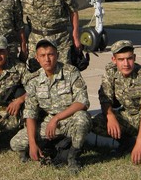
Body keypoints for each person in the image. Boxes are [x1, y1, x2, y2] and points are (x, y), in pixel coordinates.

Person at [10, 38, 91, 173]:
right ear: (37, 58)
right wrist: (32, 144)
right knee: (16, 143)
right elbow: (30, 113)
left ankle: (73, 158)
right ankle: (54, 145)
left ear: (57, 55)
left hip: (70, 119)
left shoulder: (71, 72)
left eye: (50, 54)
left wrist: (56, 118)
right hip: (49, 122)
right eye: (42, 55)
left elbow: (82, 102)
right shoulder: (34, 80)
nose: (47, 59)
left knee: (82, 119)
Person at [92, 40, 141, 165]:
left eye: (129, 59)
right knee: (96, 122)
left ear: (134, 58)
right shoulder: (111, 72)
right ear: (114, 60)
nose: (126, 64)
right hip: (127, 115)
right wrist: (110, 116)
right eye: (121, 59)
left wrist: (140, 140)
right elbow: (105, 99)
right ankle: (127, 143)